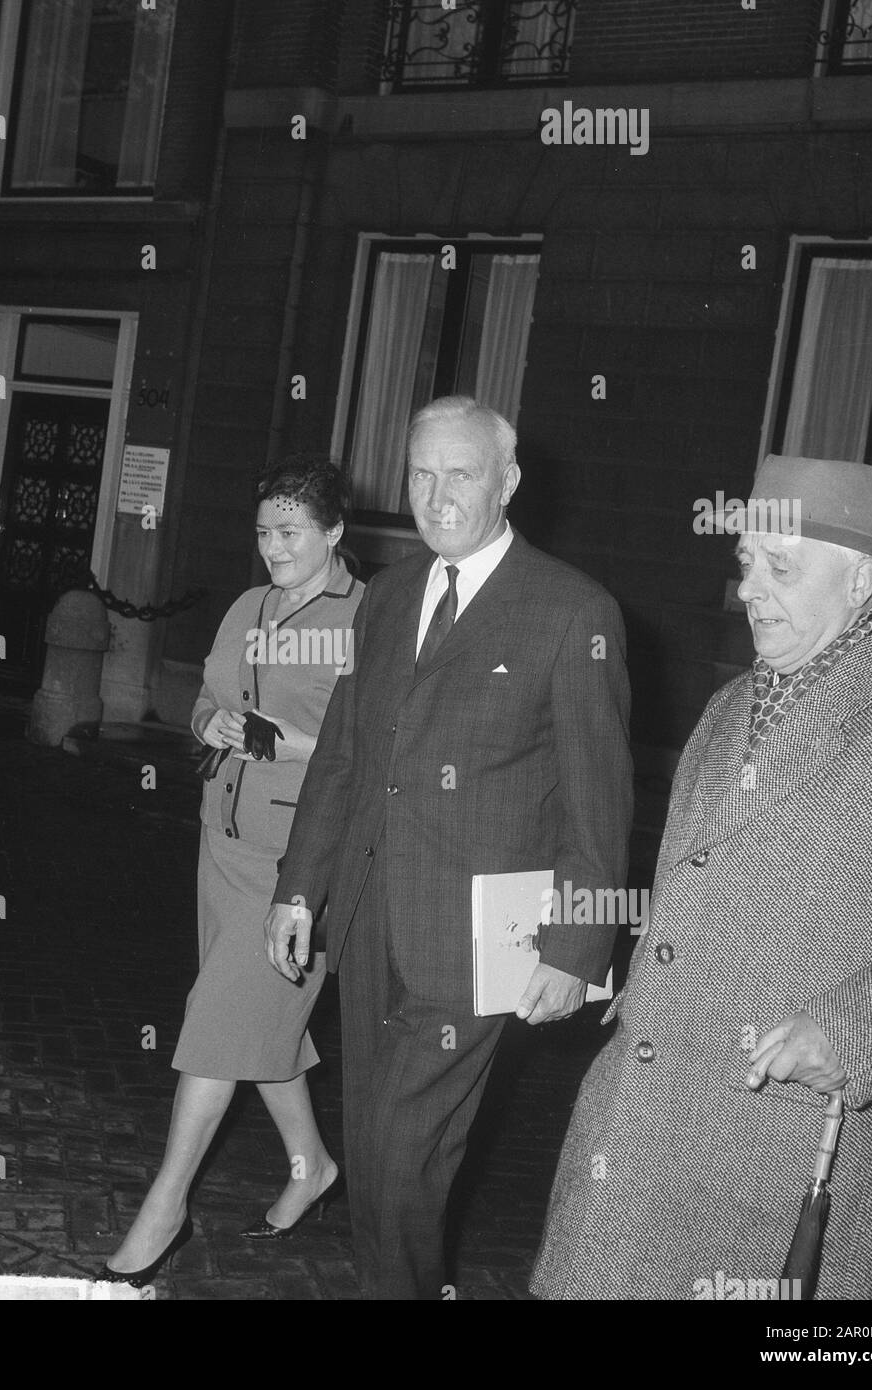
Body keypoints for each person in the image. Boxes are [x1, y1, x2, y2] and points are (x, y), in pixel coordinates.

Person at [531, 454, 872, 1301]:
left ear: (860, 577)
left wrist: (852, 1033)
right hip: (643, 1115)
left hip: (776, 1147)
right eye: (745, 562)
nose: (750, 589)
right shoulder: (730, 705)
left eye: (781, 567)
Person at [265, 396, 634, 1300]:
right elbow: (345, 760)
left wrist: (575, 949)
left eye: (459, 474)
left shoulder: (570, 608)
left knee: (400, 1151)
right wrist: (297, 890)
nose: (436, 495)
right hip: (364, 921)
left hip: (476, 946)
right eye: (420, 474)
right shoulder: (387, 596)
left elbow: (601, 800)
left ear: (506, 482)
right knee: (377, 1150)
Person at [93, 459, 364, 1288]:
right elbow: (205, 700)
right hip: (224, 840)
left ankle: (165, 1206)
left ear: (333, 533)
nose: (273, 548)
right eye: (262, 533)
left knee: (215, 1020)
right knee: (254, 1021)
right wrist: (211, 722)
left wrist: (291, 743)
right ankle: (310, 1164)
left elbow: (376, 749)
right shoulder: (249, 608)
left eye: (289, 533)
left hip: (300, 861)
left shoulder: (367, 619)